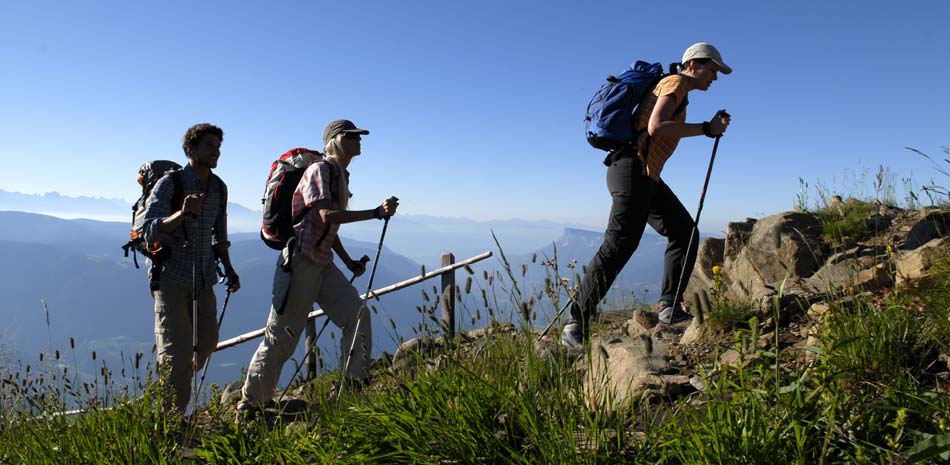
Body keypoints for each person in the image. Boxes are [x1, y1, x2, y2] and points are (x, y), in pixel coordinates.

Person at [562, 43, 733, 347]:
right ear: (694, 64)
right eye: (712, 69)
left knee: (684, 232)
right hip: (633, 170)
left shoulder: (676, 86)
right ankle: (576, 323)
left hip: (644, 173)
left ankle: (669, 310)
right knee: (620, 244)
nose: (715, 77)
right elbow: (657, 127)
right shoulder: (676, 82)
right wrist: (707, 129)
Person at [237, 119, 398, 416]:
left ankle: (353, 384)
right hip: (300, 263)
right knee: (283, 336)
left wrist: (348, 261)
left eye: (359, 136)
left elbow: (326, 226)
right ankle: (252, 404)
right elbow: (326, 215)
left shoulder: (339, 175)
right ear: (336, 140)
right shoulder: (320, 170)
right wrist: (376, 213)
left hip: (321, 263)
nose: (359, 140)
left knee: (357, 314)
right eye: (353, 136)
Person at [143, 123, 240, 412]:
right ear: (190, 149)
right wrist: (183, 213)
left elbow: (218, 235)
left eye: (218, 146)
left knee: (208, 342)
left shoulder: (219, 187)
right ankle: (171, 421)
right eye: (210, 146)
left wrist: (230, 269)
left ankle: (172, 386)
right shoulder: (170, 184)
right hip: (171, 278)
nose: (216, 152)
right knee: (177, 354)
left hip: (205, 276)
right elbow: (150, 230)